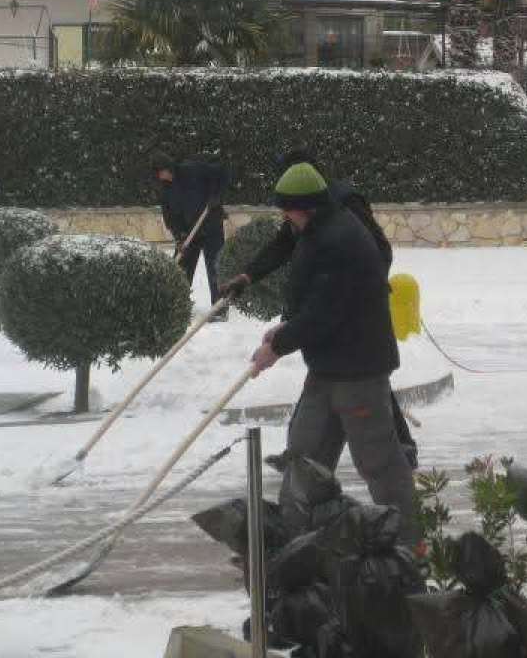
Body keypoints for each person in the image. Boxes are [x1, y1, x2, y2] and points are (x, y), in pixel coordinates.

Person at [246, 161, 418, 544]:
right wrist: (286, 330)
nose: (283, 218)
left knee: (379, 463)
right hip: (326, 369)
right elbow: (314, 301)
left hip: (358, 372)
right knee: (304, 456)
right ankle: (292, 546)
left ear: (299, 207)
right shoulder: (319, 228)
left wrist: (278, 346)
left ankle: (409, 546)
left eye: (285, 210)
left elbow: (325, 311)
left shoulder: (339, 239)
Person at [219, 147, 418, 467]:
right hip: (328, 291)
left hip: (358, 297)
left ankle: (399, 448)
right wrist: (248, 275)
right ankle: (304, 457)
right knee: (342, 377)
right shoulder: (302, 210)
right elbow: (283, 244)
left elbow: (374, 248)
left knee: (365, 378)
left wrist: (364, 294)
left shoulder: (344, 202)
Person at [149, 150, 229, 321]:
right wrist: (179, 235)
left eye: (161, 171)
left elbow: (221, 172)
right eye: (158, 174)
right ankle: (177, 307)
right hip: (188, 233)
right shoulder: (165, 191)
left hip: (210, 224)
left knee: (215, 267)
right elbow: (169, 217)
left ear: (168, 167)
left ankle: (220, 308)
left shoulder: (191, 170)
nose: (162, 177)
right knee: (180, 269)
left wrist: (216, 195)